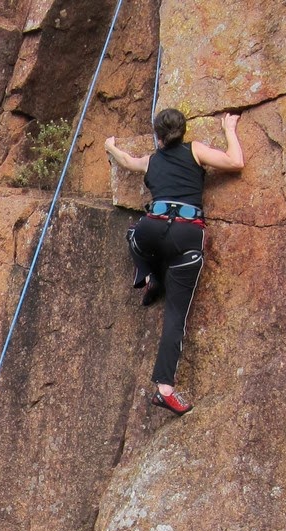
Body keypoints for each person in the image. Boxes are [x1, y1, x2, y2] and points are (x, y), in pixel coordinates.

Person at [104, 109, 245, 416]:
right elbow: (236, 163)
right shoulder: (195, 150)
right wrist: (230, 128)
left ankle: (150, 276)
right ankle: (165, 389)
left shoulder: (152, 160)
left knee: (133, 236)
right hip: (187, 237)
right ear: (183, 131)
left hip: (152, 228)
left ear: (157, 135)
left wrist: (110, 145)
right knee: (175, 315)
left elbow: (127, 162)